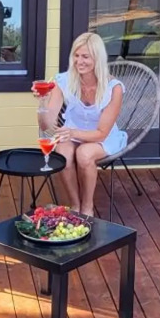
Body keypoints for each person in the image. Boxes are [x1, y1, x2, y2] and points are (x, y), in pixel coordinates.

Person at [45, 32, 126, 216]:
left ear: (97, 58)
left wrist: (72, 133)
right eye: (76, 55)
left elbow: (101, 134)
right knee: (63, 155)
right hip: (71, 131)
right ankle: (75, 205)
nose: (79, 61)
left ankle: (88, 206)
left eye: (85, 56)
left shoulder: (114, 88)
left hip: (103, 136)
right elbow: (46, 124)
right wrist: (42, 103)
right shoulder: (63, 81)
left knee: (84, 154)